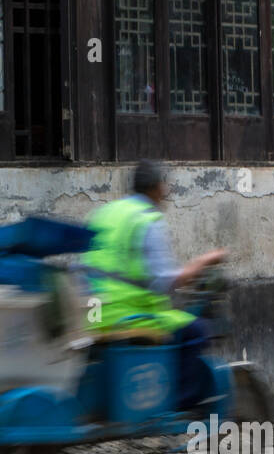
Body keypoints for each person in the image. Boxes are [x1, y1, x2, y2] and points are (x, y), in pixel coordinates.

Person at [82, 160, 227, 408]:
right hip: (127, 314)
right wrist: (204, 260)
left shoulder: (105, 213)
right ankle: (176, 405)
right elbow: (167, 280)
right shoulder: (147, 219)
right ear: (157, 187)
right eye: (165, 184)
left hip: (92, 314)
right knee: (197, 330)